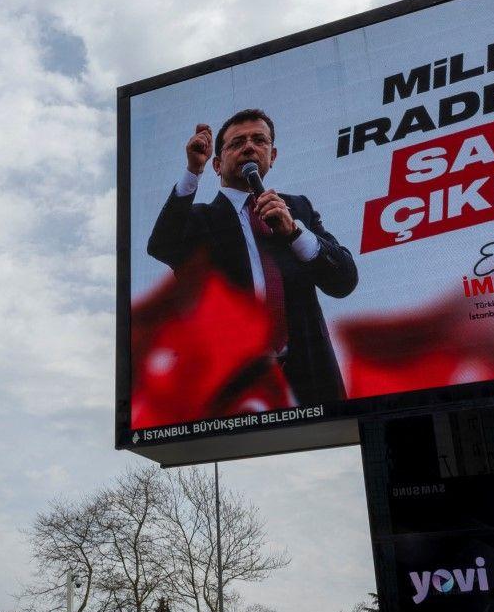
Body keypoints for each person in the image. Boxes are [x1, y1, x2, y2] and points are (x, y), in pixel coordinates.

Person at [147, 108, 357, 405]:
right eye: (236, 143)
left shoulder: (297, 209)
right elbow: (162, 245)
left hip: (309, 383)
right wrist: (192, 172)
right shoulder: (198, 220)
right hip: (232, 388)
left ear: (272, 156)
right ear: (216, 164)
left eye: (259, 140)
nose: (249, 147)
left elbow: (343, 281)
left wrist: (294, 232)